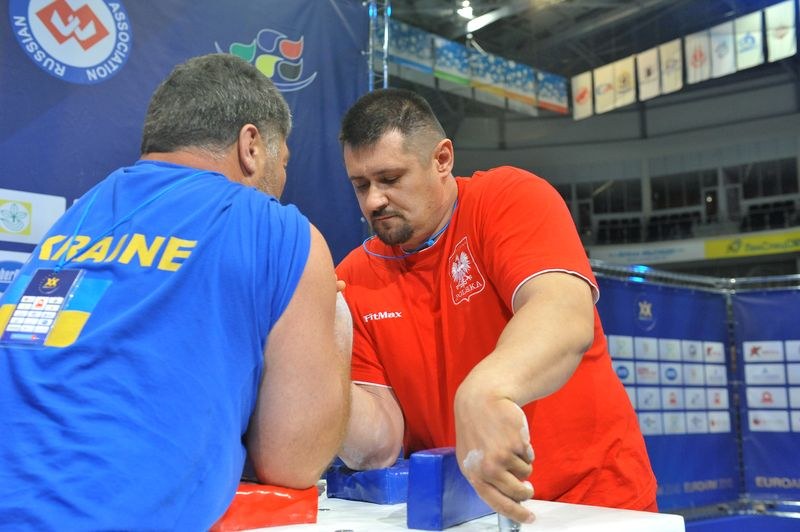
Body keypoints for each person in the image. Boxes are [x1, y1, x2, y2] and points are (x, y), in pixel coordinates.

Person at [0, 54, 351, 529]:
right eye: (282, 161)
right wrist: (334, 320)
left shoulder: (78, 214)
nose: (283, 183)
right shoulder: (276, 229)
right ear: (252, 147)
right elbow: (293, 461)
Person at [335, 88, 657, 524]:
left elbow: (564, 312)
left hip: (592, 502)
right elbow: (379, 446)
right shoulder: (353, 274)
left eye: (390, 179)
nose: (374, 200)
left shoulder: (507, 198)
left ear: (442, 159)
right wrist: (319, 358)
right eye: (361, 185)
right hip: (468, 516)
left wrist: (486, 388)